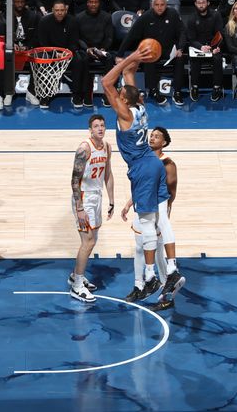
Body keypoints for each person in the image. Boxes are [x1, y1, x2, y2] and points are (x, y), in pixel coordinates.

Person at [100, 51, 184, 305]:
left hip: (142, 168)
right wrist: (133, 61)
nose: (117, 95)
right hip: (152, 164)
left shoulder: (126, 114)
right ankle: (167, 270)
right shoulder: (140, 107)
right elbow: (127, 76)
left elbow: (106, 83)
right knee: (161, 222)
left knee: (147, 225)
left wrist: (132, 56)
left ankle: (153, 275)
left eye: (120, 95)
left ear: (124, 99)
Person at [122, 126, 182, 311]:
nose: (152, 138)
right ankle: (139, 285)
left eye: (157, 136)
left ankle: (167, 292)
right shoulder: (143, 158)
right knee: (139, 248)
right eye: (152, 135)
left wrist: (163, 216)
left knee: (157, 254)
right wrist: (129, 203)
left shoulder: (168, 163)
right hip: (142, 209)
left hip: (155, 212)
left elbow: (170, 193)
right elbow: (141, 185)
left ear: (164, 142)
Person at [69, 114, 115, 303]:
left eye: (103, 125)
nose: (100, 129)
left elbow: (108, 174)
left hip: (97, 197)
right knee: (87, 242)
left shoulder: (107, 147)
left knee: (93, 239)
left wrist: (111, 201)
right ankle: (77, 286)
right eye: (96, 126)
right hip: (84, 198)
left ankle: (75, 275)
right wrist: (79, 208)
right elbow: (74, 180)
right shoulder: (84, 149)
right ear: (90, 129)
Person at [117, 0, 184, 105]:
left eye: (162, 4)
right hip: (152, 51)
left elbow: (182, 32)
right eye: (157, 4)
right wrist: (119, 54)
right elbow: (131, 35)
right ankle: (153, 90)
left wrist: (180, 48)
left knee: (180, 59)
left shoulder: (173, 14)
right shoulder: (146, 17)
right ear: (152, 5)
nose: (159, 7)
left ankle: (177, 92)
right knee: (148, 58)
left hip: (169, 50)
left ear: (166, 5)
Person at [184, 0, 225, 103]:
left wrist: (217, 47)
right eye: (198, 3)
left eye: (203, 2)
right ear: (195, 4)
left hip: (213, 46)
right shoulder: (191, 18)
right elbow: (191, 39)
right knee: (195, 60)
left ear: (208, 3)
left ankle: (217, 87)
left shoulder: (216, 15)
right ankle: (195, 87)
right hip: (198, 47)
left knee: (217, 59)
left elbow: (220, 34)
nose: (201, 5)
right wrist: (201, 47)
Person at [76, 0, 114, 106]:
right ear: (87, 3)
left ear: (99, 3)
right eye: (91, 2)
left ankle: (107, 94)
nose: (93, 4)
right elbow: (77, 38)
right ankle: (87, 95)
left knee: (109, 58)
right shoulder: (79, 17)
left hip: (101, 49)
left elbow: (109, 37)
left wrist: (103, 49)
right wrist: (87, 49)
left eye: (96, 2)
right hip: (86, 50)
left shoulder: (106, 17)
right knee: (83, 60)